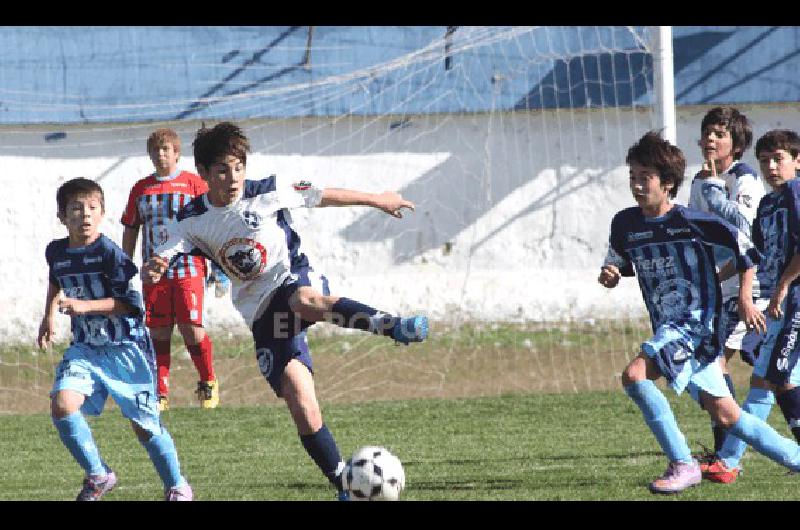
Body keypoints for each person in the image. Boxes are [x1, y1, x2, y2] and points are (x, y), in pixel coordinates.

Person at [142, 121, 428, 500]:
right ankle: (343, 483)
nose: (233, 177)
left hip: (293, 277)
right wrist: (155, 265)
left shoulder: (269, 191)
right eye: (223, 170)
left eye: (239, 167)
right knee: (302, 405)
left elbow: (323, 196)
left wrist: (377, 199)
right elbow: (166, 250)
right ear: (205, 173)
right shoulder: (192, 218)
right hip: (259, 310)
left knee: (304, 301)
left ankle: (389, 325)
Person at [598, 131, 800, 494]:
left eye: (646, 178)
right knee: (727, 415)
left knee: (634, 375)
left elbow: (747, 253)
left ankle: (682, 464)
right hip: (669, 326)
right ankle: (797, 458)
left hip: (693, 325)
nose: (637, 185)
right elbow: (618, 258)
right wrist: (611, 273)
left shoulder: (694, 222)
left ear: (668, 183)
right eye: (633, 177)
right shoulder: (625, 224)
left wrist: (743, 297)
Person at [38, 177, 193, 501]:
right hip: (85, 349)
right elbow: (56, 281)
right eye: (76, 208)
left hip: (126, 349)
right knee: (62, 404)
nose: (85, 215)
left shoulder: (111, 254)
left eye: (92, 208)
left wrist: (85, 306)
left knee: (145, 427)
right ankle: (98, 475)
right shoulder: (56, 252)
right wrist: (48, 315)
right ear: (62, 216)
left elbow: (132, 306)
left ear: (102, 212)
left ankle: (177, 486)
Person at [701, 129, 800, 483]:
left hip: (794, 300)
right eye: (765, 161)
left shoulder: (795, 193)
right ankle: (728, 461)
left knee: (774, 377)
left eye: (779, 159)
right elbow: (753, 254)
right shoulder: (769, 204)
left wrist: (783, 287)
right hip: (783, 303)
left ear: (797, 161)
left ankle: (736, 460)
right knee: (767, 377)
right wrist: (717, 276)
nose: (772, 167)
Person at [121, 128, 222, 411]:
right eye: (155, 150)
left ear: (177, 153)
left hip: (189, 265)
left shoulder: (193, 184)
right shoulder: (141, 189)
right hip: (154, 270)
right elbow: (131, 227)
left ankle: (208, 381)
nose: (160, 154)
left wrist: (219, 265)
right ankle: (160, 392)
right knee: (159, 331)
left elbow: (212, 223)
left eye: (166, 149)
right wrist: (126, 266)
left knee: (191, 327)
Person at [687, 106, 767, 454]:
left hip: (748, 286)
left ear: (735, 144)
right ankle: (726, 449)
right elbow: (694, 228)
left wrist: (717, 190)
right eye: (707, 132)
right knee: (718, 366)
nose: (710, 138)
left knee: (713, 365)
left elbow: (745, 232)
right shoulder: (699, 180)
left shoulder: (744, 179)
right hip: (717, 287)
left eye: (719, 134)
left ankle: (725, 453)